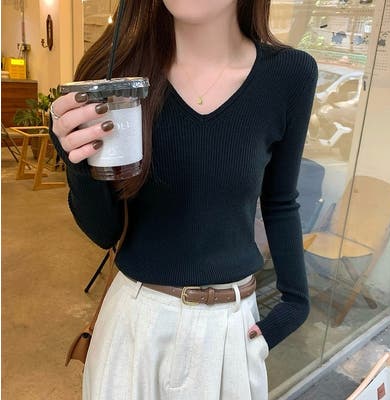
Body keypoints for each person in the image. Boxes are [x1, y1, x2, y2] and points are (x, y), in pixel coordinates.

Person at [50, 1, 318, 399]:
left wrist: (295, 304)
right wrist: (76, 157)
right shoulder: (119, 76)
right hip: (134, 324)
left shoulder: (289, 74)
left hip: (230, 330)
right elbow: (104, 231)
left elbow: (279, 200)